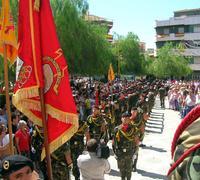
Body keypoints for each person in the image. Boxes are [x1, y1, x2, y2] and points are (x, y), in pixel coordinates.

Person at [113, 112, 139, 180]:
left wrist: (135, 153)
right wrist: (114, 153)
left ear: (129, 119)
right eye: (124, 118)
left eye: (127, 118)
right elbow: (114, 142)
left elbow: (136, 142)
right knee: (121, 171)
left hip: (129, 152)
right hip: (120, 153)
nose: (125, 119)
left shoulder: (133, 129)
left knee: (129, 170)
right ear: (121, 119)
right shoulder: (117, 129)